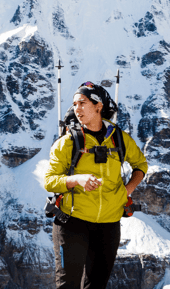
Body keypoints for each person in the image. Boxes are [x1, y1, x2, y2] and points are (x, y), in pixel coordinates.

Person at [44, 81, 148, 289]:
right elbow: (50, 180)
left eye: (82, 103)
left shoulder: (119, 139)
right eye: (75, 104)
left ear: (98, 106)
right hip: (72, 223)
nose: (77, 109)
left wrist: (127, 190)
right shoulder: (67, 142)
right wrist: (77, 180)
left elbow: (141, 165)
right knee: (67, 285)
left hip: (108, 225)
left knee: (97, 285)